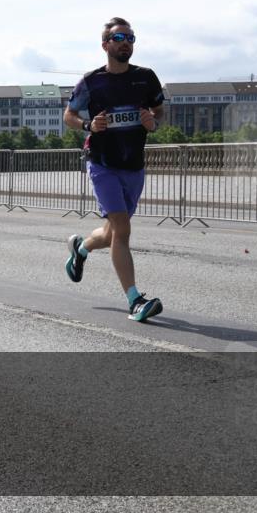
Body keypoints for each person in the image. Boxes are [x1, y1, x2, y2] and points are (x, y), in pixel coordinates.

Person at [64, 17, 166, 323]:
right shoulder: (92, 82)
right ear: (106, 44)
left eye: (131, 38)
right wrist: (87, 124)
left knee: (111, 234)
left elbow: (159, 111)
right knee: (123, 230)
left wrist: (154, 122)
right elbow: (69, 114)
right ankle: (135, 301)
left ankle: (80, 249)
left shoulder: (146, 78)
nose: (126, 43)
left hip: (134, 165)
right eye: (120, 37)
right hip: (102, 163)